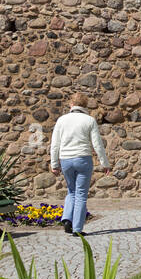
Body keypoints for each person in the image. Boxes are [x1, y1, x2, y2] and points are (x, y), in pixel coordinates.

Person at [49, 93, 110, 236]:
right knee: (81, 194)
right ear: (85, 105)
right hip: (83, 159)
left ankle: (66, 219)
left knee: (71, 191)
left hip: (66, 160)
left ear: (71, 104)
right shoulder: (89, 120)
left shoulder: (61, 120)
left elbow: (55, 144)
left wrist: (54, 164)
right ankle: (77, 229)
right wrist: (104, 163)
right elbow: (97, 144)